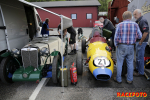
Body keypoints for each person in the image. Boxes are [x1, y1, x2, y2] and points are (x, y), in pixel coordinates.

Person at [114, 11, 142, 84]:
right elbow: (140, 36)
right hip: (131, 46)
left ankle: (119, 79)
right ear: (131, 17)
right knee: (130, 63)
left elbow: (116, 37)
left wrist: (116, 45)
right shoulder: (135, 24)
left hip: (121, 45)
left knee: (119, 63)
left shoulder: (119, 25)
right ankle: (129, 79)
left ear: (123, 17)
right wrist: (133, 38)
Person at [133, 9, 149, 76]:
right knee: (137, 56)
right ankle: (137, 68)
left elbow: (145, 32)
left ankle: (141, 72)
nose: (134, 16)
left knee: (140, 57)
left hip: (141, 42)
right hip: (138, 41)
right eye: (134, 14)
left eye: (135, 14)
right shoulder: (138, 21)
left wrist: (141, 41)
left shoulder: (142, 21)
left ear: (140, 14)